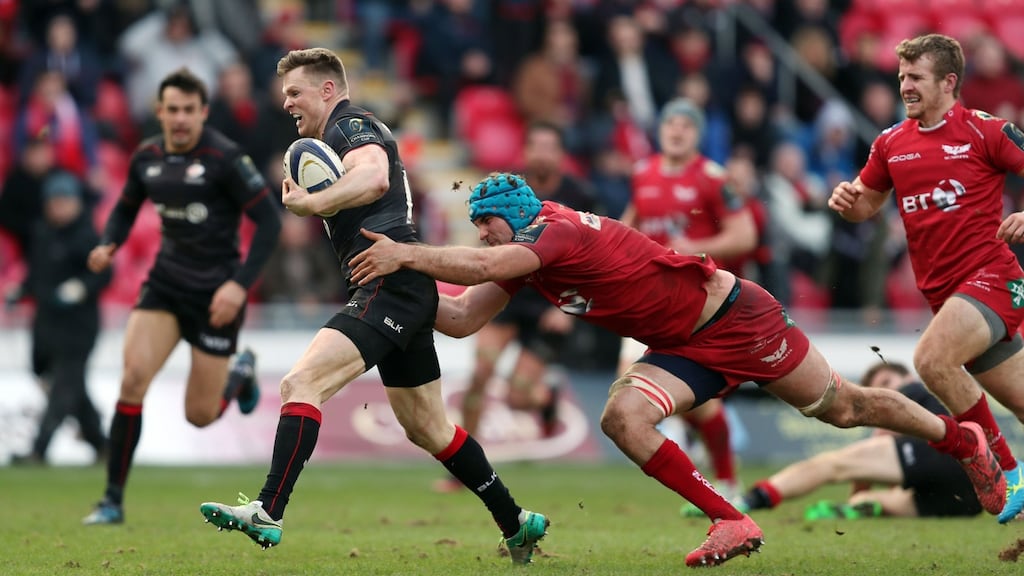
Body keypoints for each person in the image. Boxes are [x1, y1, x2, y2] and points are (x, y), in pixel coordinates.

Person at [348, 171, 1004, 568]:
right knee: (622, 417)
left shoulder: (553, 233)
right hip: (681, 350)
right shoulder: (530, 258)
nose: (481, 235)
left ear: (514, 218)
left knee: (844, 408)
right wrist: (398, 292)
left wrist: (406, 255)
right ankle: (731, 518)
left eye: (485, 224)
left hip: (738, 321)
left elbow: (486, 267)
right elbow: (462, 317)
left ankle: (961, 440)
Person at [196, 48, 549, 564]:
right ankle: (517, 522)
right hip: (398, 285)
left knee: (301, 384)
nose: (286, 102)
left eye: (295, 92)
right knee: (428, 429)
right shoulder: (330, 137)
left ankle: (269, 510)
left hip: (391, 282)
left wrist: (310, 204)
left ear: (327, 90)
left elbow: (376, 176)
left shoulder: (351, 125)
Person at [828, 33, 1024, 524]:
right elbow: (868, 203)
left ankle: (1007, 473)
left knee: (931, 360)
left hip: (993, 279)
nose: (905, 86)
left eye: (915, 78)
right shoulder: (891, 143)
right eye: (901, 78)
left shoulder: (986, 131)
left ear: (948, 82)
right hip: (947, 297)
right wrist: (850, 206)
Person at [82, 67, 281, 525]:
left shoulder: (226, 158)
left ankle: (240, 375)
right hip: (166, 286)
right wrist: (109, 242)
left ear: (203, 113)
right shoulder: (147, 157)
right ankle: (111, 500)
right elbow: (126, 206)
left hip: (217, 296)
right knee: (132, 378)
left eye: (189, 110)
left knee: (200, 415)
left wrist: (238, 286)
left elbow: (270, 222)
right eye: (172, 109)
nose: (180, 118)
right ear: (160, 111)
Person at [433, 121, 599, 494]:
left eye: (549, 146)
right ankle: (463, 469)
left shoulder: (580, 193)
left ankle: (544, 400)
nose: (541, 153)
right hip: (508, 292)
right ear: (525, 153)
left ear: (560, 154)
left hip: (548, 302)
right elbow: (489, 245)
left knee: (517, 395)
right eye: (535, 146)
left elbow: (593, 254)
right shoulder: (509, 191)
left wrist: (565, 310)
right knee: (480, 374)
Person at [619, 98, 758, 512]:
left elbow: (745, 235)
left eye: (685, 125)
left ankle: (724, 482)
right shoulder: (642, 174)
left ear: (697, 134)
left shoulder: (714, 179)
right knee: (638, 390)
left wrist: (694, 248)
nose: (676, 131)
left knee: (654, 392)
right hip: (647, 300)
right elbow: (630, 226)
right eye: (670, 123)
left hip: (697, 302)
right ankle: (716, 479)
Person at [739, 361, 982, 520]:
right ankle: (861, 507)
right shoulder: (940, 394)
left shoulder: (913, 389)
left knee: (831, 464)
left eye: (886, 383)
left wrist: (857, 489)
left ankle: (751, 500)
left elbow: (879, 440)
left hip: (943, 454)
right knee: (880, 501)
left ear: (907, 376)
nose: (886, 393)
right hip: (970, 498)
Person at [8, 171, 111, 465]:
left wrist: (81, 287)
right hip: (45, 322)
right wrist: (21, 289)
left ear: (77, 203)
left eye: (65, 201)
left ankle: (38, 450)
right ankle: (102, 446)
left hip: (78, 326)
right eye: (55, 201)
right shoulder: (41, 232)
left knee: (65, 386)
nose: (59, 207)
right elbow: (36, 273)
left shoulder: (89, 236)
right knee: (65, 384)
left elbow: (105, 274)